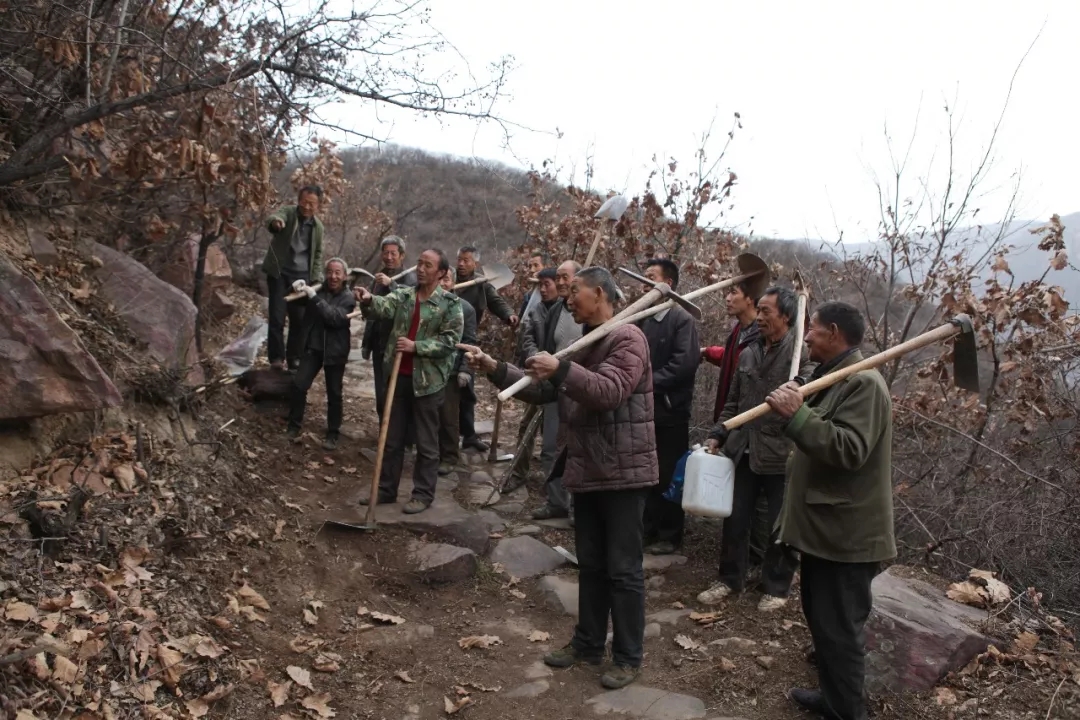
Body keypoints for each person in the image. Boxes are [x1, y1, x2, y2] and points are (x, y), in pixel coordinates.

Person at [464, 267, 656, 690]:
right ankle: (587, 643)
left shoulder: (628, 338)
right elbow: (546, 389)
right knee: (590, 564)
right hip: (588, 468)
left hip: (623, 473)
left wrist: (562, 370)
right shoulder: (583, 342)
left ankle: (627, 656)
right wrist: (496, 367)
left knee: (623, 570)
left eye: (576, 292)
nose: (569, 300)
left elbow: (610, 392)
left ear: (599, 293)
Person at [766, 301, 894, 720]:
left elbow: (849, 449)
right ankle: (834, 697)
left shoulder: (865, 384)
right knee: (823, 624)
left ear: (834, 332)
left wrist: (797, 415)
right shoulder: (832, 378)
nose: (806, 337)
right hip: (825, 531)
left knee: (839, 631)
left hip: (847, 536)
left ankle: (847, 712)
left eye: (813, 330)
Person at [699, 286, 814, 610]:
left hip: (782, 453)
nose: (760, 317)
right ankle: (729, 579)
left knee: (780, 524)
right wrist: (719, 433)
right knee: (735, 518)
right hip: (743, 448)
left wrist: (800, 385)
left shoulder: (801, 355)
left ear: (786, 316)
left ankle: (776, 587)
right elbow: (734, 401)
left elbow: (812, 396)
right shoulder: (749, 352)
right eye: (759, 310)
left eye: (767, 312)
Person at [353, 249, 464, 514]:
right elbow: (382, 306)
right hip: (398, 378)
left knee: (426, 442)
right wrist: (368, 299)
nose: (421, 269)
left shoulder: (450, 304)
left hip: (428, 382)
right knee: (392, 438)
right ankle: (387, 489)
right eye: (419, 263)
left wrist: (417, 346)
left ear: (441, 273)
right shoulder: (404, 295)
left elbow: (450, 342)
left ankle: (423, 494)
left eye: (428, 265)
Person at [701, 280, 771, 566]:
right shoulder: (739, 332)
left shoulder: (759, 337)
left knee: (757, 501)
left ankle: (756, 560)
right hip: (731, 419)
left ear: (751, 300)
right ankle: (736, 561)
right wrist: (708, 352)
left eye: (733, 293)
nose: (727, 298)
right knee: (738, 498)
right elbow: (732, 360)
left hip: (753, 429)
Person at [636, 258, 699, 555]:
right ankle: (646, 529)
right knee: (645, 472)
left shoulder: (681, 319)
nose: (643, 283)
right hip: (643, 410)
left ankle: (669, 534)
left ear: (667, 285)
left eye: (650, 278)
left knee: (667, 472)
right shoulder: (642, 317)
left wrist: (645, 382)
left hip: (670, 410)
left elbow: (683, 365)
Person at [519, 260, 583, 519]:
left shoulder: (589, 311)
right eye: (557, 277)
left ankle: (580, 509)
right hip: (556, 387)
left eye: (565, 277)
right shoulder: (555, 309)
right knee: (550, 448)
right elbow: (540, 341)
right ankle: (556, 503)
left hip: (583, 389)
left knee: (581, 451)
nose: (560, 283)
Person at [285, 258, 356, 449]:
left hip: (335, 351)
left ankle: (333, 433)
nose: (333, 276)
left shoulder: (348, 298)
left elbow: (334, 318)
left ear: (344, 276)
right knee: (299, 385)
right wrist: (294, 289)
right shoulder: (317, 289)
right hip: (313, 348)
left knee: (334, 393)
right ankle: (293, 425)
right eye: (330, 272)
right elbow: (291, 302)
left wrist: (313, 297)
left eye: (337, 273)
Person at [455, 245, 519, 452]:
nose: (462, 264)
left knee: (467, 391)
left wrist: (508, 314)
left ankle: (469, 436)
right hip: (444, 339)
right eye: (460, 260)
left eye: (467, 260)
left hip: (468, 341)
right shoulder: (447, 279)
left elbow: (496, 301)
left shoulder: (482, 284)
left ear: (476, 263)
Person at [506, 268, 561, 498]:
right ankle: (518, 473)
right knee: (526, 426)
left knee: (555, 438)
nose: (543, 289)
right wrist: (537, 359)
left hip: (561, 381)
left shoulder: (569, 310)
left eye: (547, 284)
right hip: (537, 378)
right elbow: (527, 338)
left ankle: (555, 488)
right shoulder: (537, 310)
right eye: (541, 285)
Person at [263, 186, 325, 372]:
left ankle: (294, 359)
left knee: (299, 321)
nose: (307, 207)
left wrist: (315, 277)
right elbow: (274, 217)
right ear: (299, 200)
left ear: (318, 205)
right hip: (280, 273)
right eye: (304, 202)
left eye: (312, 204)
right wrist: (276, 223)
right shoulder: (289, 213)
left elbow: (318, 253)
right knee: (277, 316)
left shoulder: (318, 227)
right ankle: (276, 358)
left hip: (301, 278)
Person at [361, 236, 418, 421]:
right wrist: (366, 343)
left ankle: (399, 439)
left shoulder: (411, 278)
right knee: (381, 394)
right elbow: (371, 315)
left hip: (399, 345)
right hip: (379, 344)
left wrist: (391, 284)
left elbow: (411, 305)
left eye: (393, 253)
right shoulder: (377, 278)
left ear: (402, 255)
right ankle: (383, 437)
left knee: (398, 394)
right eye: (386, 253)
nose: (389, 257)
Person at [437, 270, 478, 476]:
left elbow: (470, 341)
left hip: (451, 370)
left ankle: (450, 456)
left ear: (453, 283)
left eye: (446, 279)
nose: (443, 283)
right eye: (440, 279)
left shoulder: (466, 309)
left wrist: (465, 370)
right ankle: (432, 453)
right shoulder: (428, 304)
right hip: (429, 369)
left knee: (448, 416)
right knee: (428, 413)